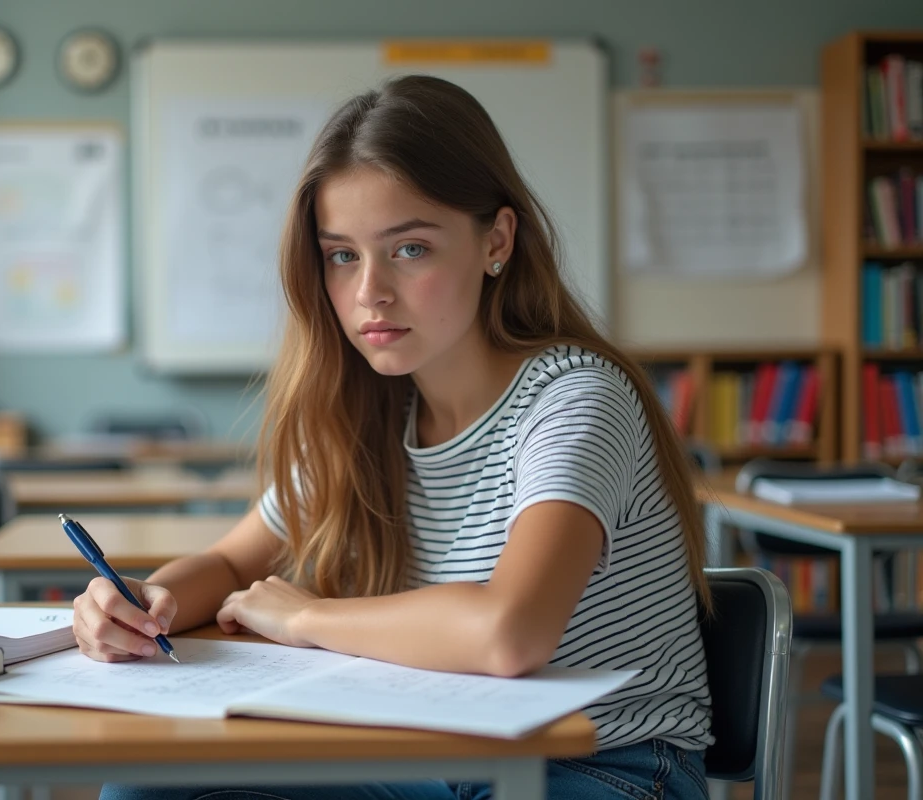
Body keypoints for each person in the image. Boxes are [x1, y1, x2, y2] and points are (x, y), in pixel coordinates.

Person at [78, 74, 712, 800]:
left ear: (496, 240)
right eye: (342, 255)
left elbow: (510, 633)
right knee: (149, 787)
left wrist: (308, 616)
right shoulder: (366, 411)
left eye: (409, 249)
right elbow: (229, 563)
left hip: (600, 764)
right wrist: (141, 602)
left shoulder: (574, 397)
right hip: (430, 759)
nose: (368, 291)